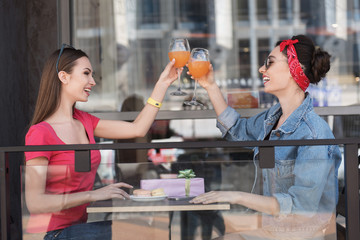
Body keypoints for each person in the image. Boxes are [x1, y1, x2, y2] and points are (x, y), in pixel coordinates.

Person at [189, 35, 342, 240]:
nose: (262, 70)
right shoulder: (272, 117)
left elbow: (300, 209)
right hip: (273, 231)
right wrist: (210, 86)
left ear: (294, 70)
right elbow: (237, 130)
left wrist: (236, 196)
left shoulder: (314, 133)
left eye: (269, 63)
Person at [24, 44, 179, 240]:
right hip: (53, 233)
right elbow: (35, 202)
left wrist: (162, 85)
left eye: (92, 74)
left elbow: (137, 129)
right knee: (143, 232)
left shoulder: (84, 121)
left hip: (78, 229)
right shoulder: (40, 133)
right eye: (86, 74)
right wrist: (93, 194)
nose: (93, 81)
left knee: (153, 226)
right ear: (64, 77)